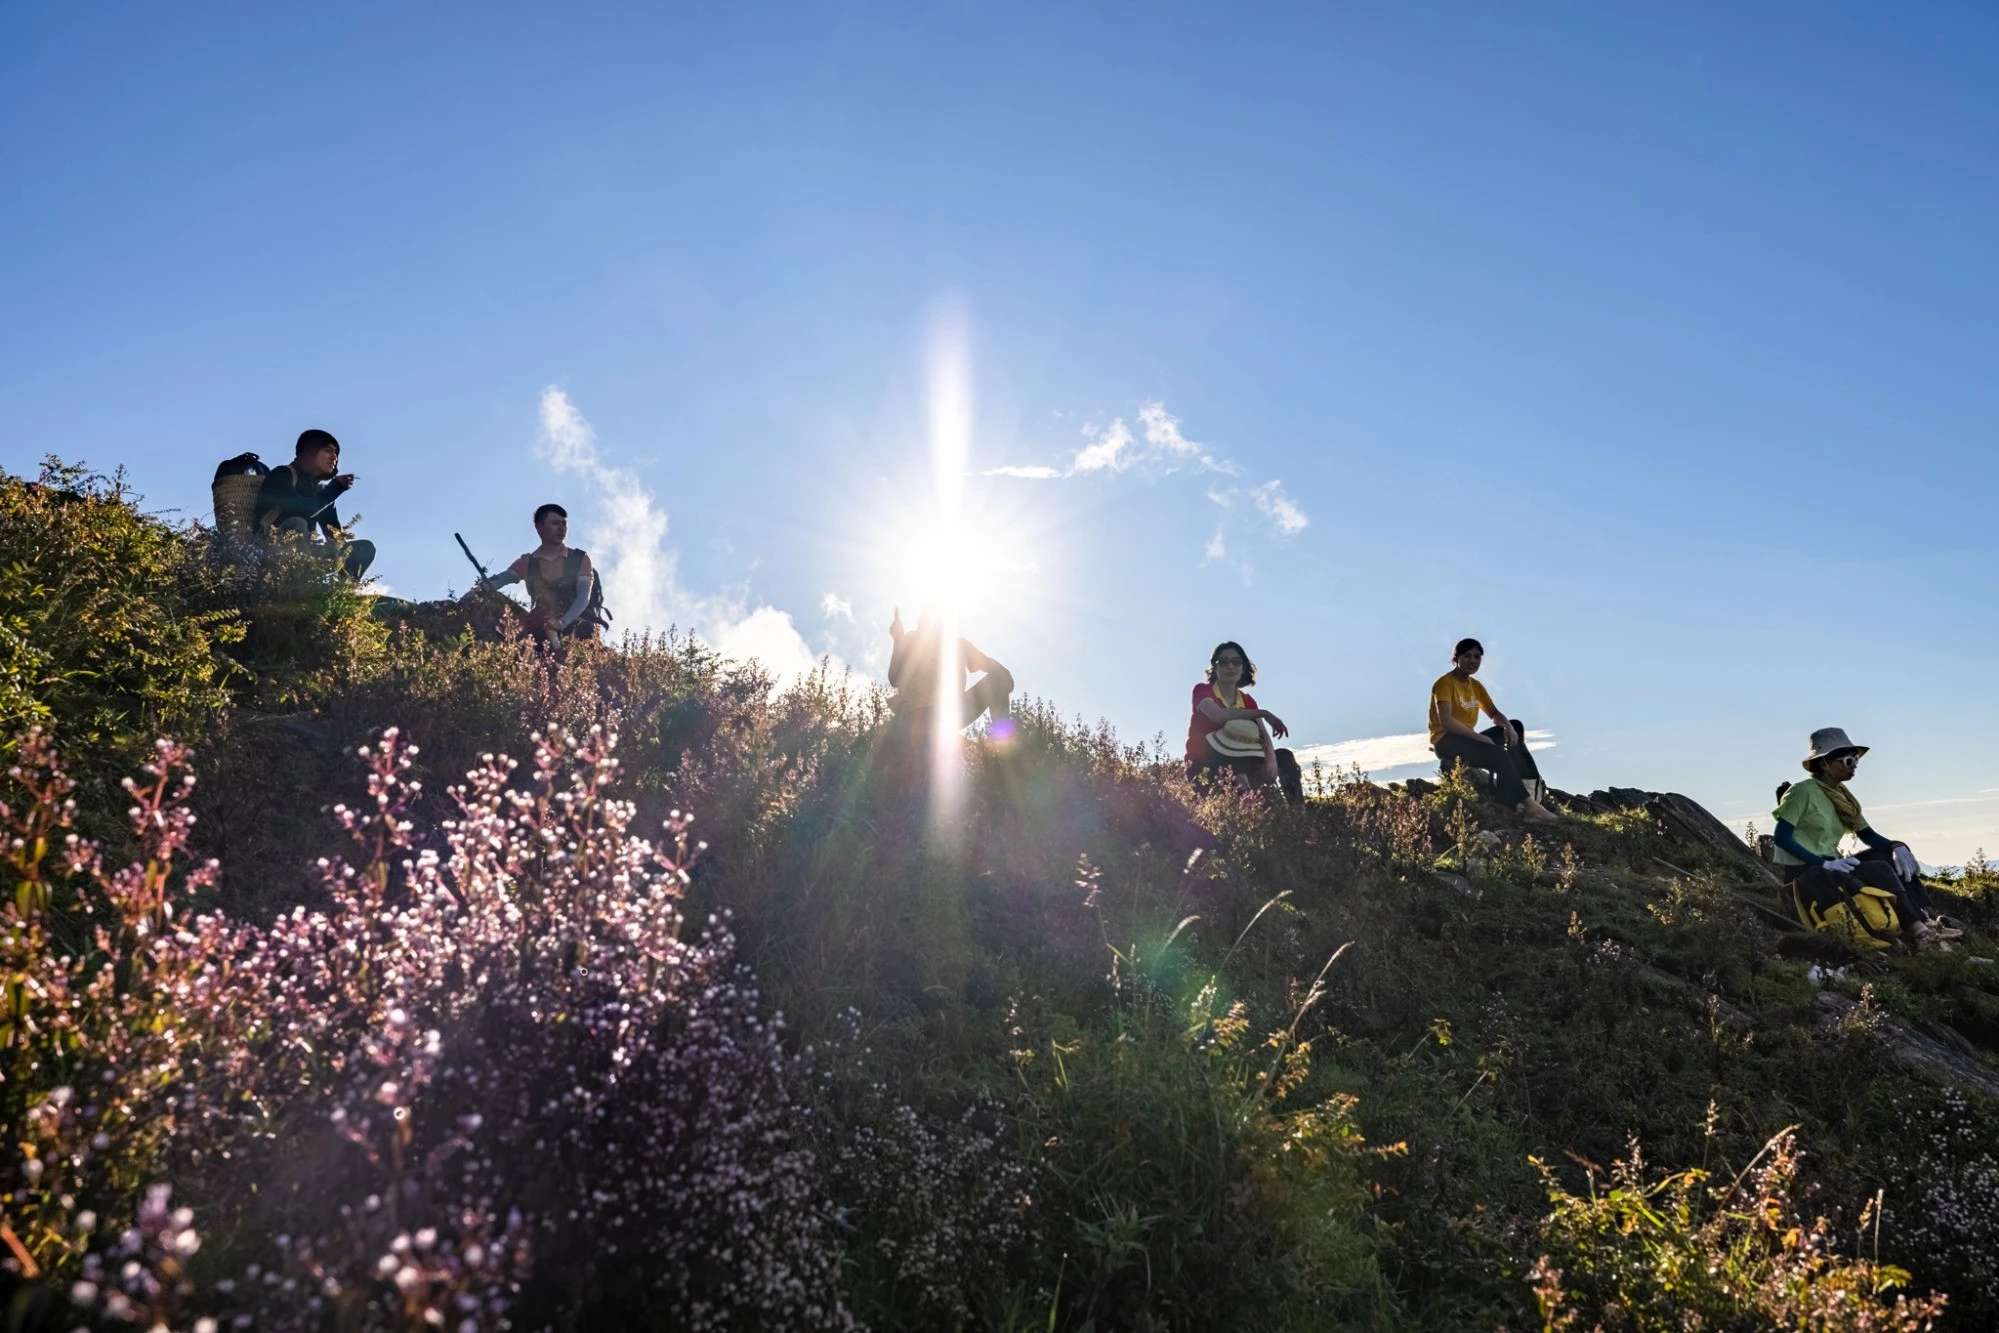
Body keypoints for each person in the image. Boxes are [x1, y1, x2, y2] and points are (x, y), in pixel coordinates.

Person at [1772, 727, 1959, 950]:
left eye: (1855, 761)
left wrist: (1897, 846)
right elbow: (1781, 837)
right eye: (1848, 761)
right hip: (1809, 872)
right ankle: (1920, 932)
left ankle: (1926, 917)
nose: (1854, 767)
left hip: (1833, 865)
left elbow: (1867, 835)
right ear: (1824, 764)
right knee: (1879, 868)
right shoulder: (1802, 792)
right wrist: (1824, 863)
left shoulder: (1842, 797)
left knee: (1889, 857)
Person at [1429, 638, 1558, 823]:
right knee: (1498, 755)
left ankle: (1519, 791)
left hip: (1468, 740)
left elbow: (1494, 713)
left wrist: (1506, 725)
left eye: (1477, 656)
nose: (1472, 660)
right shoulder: (1444, 683)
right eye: (1467, 656)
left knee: (1516, 726)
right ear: (1456, 658)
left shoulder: (1476, 686)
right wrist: (1479, 739)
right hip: (1446, 741)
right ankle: (1531, 808)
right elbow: (1446, 721)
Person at [1185, 641, 1303, 806]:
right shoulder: (1203, 691)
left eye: (1236, 662)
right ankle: (1245, 802)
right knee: (1231, 757)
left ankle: (1298, 814)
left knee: (1284, 756)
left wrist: (1271, 760)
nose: (1230, 666)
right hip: (1205, 765)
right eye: (1224, 662)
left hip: (1244, 761)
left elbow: (1263, 735)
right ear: (1215, 668)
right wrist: (1264, 713)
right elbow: (1217, 715)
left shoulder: (1247, 701)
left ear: (1243, 667)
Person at [253, 429, 375, 579]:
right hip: (268, 553)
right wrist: (334, 488)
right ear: (310, 451)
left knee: (364, 548)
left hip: (307, 555)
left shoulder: (320, 490)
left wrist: (344, 553)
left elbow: (334, 536)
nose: (334, 457)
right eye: (328, 451)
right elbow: (299, 509)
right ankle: (292, 584)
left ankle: (341, 592)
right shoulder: (283, 474)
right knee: (297, 523)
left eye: (336, 453)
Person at [475, 504, 604, 645]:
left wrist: (561, 623)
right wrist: (480, 589)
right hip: (540, 624)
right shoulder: (527, 562)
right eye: (555, 523)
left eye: (564, 524)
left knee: (586, 630)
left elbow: (583, 598)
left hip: (574, 622)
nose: (562, 528)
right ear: (540, 528)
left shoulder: (580, 559)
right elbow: (502, 579)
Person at [886, 606, 1014, 741]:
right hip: (917, 713)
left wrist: (1004, 675)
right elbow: (894, 678)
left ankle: (1002, 746)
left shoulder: (959, 645)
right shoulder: (912, 641)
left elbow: (987, 664)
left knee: (997, 679)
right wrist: (898, 640)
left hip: (951, 713)